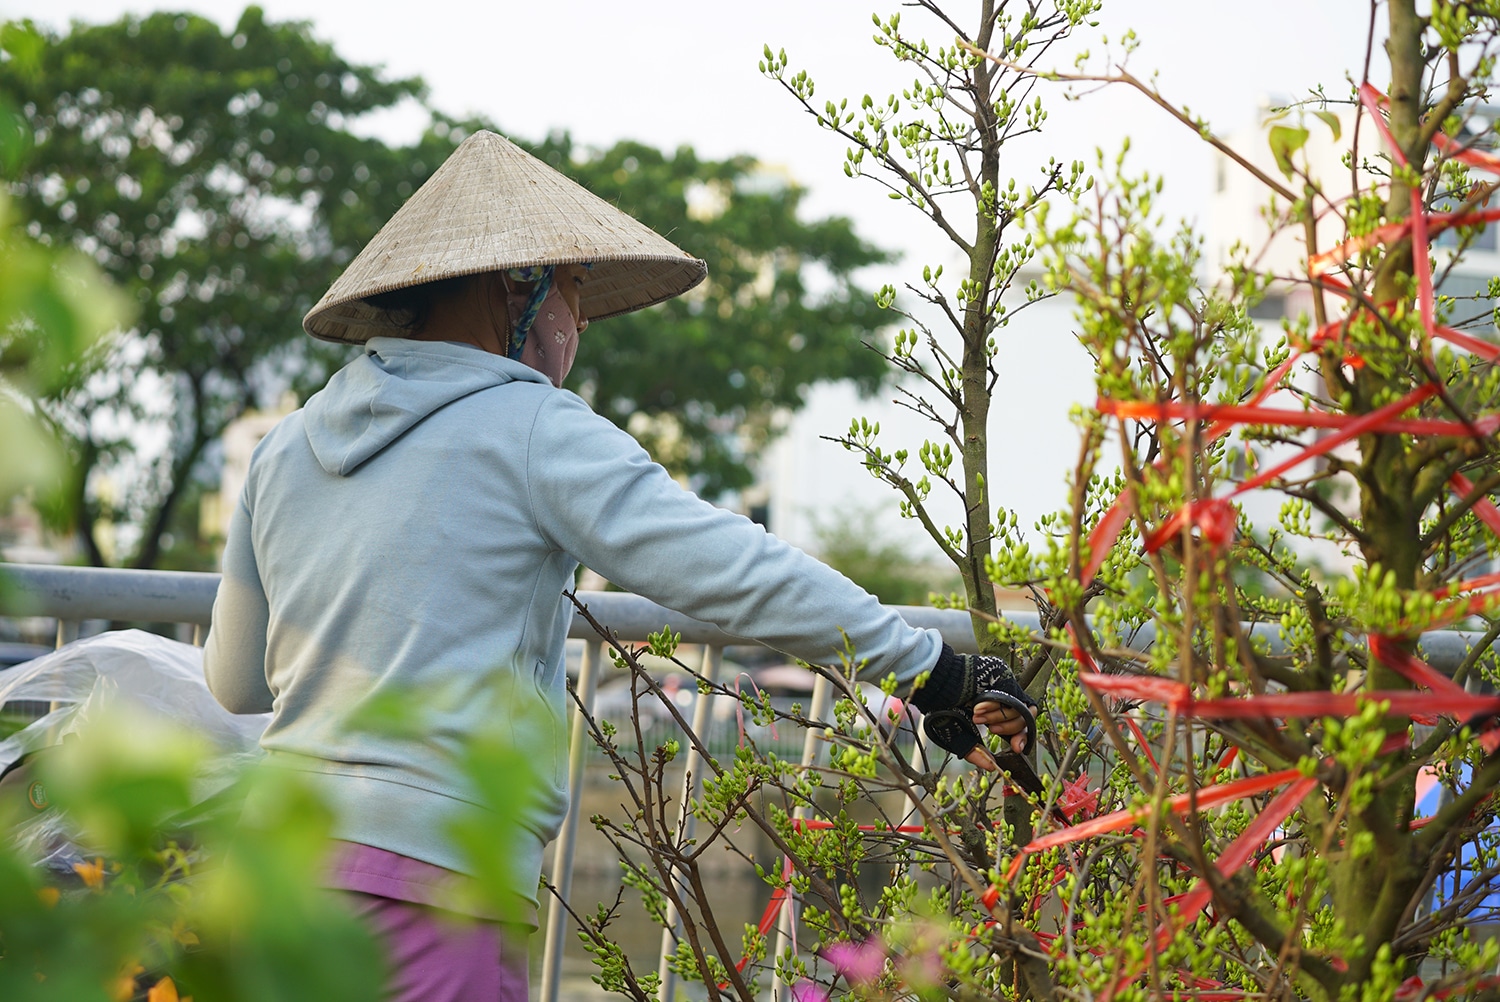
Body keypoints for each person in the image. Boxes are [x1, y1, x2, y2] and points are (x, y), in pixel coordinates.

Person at [202, 130, 1034, 1002]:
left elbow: (235, 683)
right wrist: (928, 668)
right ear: (516, 288)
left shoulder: (283, 448)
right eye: (572, 290)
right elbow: (726, 565)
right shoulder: (530, 429)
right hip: (437, 879)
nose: (581, 319)